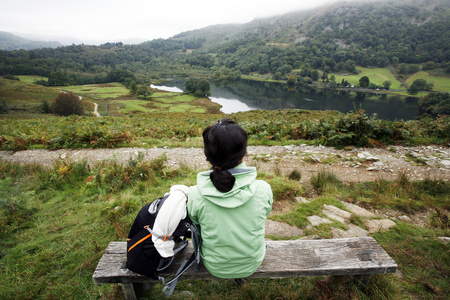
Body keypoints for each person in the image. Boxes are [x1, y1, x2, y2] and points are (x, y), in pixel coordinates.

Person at [187, 118, 273, 279]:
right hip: (251, 263)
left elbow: (195, 222)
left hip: (214, 265)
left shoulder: (195, 194)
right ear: (243, 153)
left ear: (207, 155)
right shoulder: (263, 189)